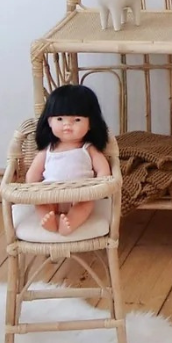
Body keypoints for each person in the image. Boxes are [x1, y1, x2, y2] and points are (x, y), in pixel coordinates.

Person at [25, 84, 111, 234]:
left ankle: (72, 221)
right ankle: (48, 219)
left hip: (80, 194)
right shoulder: (48, 149)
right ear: (49, 121)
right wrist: (32, 189)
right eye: (60, 119)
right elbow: (33, 173)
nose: (67, 125)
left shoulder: (88, 148)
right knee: (40, 203)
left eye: (77, 120)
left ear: (91, 123)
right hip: (50, 193)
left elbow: (103, 170)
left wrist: (98, 188)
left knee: (85, 205)